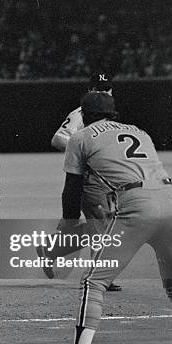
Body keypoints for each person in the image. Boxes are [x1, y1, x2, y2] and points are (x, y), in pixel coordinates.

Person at [40, 92, 172, 344]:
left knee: (93, 282)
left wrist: (67, 226)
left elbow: (72, 190)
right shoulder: (140, 131)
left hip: (137, 205)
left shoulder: (81, 137)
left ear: (84, 115)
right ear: (113, 113)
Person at [43, 72, 122, 292]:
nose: (105, 92)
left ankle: (53, 250)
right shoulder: (82, 114)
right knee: (102, 223)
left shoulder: (106, 114)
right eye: (99, 89)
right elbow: (58, 139)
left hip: (103, 180)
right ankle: (98, 276)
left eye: (107, 89)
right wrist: (84, 151)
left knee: (100, 224)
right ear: (90, 92)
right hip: (89, 180)